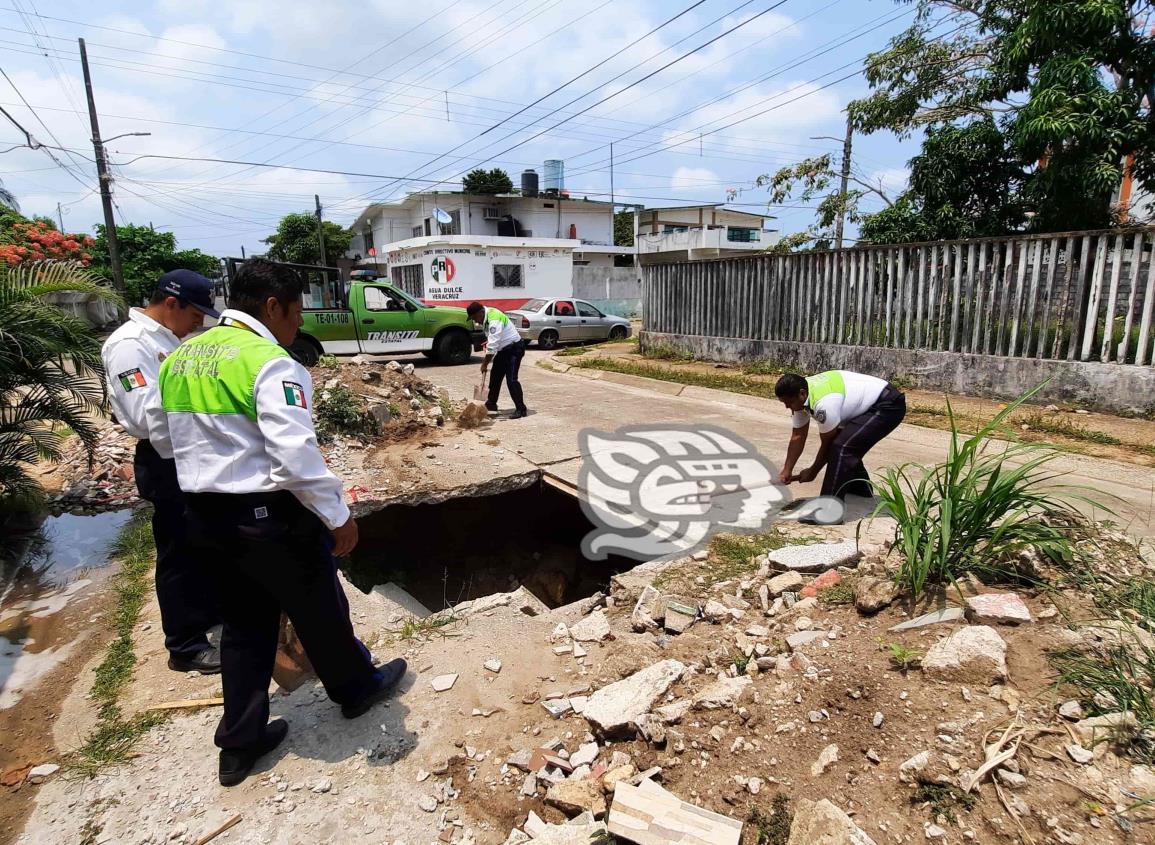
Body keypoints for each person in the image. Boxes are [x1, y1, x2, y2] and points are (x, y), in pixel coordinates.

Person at [149, 258, 406, 787]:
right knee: (321, 608)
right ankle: (356, 691)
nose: (298, 324)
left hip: (204, 513)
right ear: (272, 306)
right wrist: (337, 515)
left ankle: (240, 744)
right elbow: (293, 456)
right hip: (266, 515)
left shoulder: (182, 356)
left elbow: (162, 438)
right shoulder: (270, 360)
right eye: (295, 313)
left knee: (243, 624)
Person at [101, 270, 222, 675]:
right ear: (172, 303)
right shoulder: (130, 347)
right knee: (179, 552)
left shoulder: (166, 340)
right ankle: (185, 646)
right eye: (195, 313)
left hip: (186, 454)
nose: (199, 322)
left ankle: (207, 616)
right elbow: (142, 416)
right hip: (163, 459)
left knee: (200, 542)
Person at [774, 370, 906, 500]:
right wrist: (787, 470)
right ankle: (859, 487)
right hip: (869, 403)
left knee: (841, 447)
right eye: (784, 403)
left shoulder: (824, 403)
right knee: (847, 440)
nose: (787, 407)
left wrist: (812, 471)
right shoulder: (801, 393)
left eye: (789, 403)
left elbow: (829, 444)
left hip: (888, 405)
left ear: (802, 394)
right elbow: (798, 436)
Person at [467, 301, 529, 419]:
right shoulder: (487, 318)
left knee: (511, 380)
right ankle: (491, 404)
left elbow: (493, 345)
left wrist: (484, 364)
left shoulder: (494, 319)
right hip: (504, 350)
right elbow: (492, 342)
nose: (475, 321)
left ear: (480, 313)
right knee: (495, 376)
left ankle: (521, 409)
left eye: (475, 318)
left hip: (515, 349)